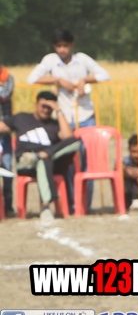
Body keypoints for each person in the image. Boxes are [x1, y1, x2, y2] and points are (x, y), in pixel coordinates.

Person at [27, 28, 110, 210]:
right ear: (54, 46)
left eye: (65, 46)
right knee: (67, 163)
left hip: (86, 117)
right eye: (58, 46)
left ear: (72, 45)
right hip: (64, 120)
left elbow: (105, 75)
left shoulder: (82, 59)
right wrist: (57, 80)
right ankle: (72, 204)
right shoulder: (50, 60)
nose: (62, 49)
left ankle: (85, 205)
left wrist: (84, 80)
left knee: (87, 162)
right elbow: (31, 79)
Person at [0, 91, 81, 222]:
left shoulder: (55, 125)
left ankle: (39, 156)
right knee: (43, 161)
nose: (46, 110)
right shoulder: (21, 118)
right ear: (36, 105)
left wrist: (58, 110)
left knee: (73, 142)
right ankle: (46, 207)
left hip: (49, 162)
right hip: (25, 163)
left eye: (50, 107)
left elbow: (68, 138)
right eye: (43, 105)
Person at [0, 64, 13, 217]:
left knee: (7, 168)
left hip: (4, 132)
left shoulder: (8, 78)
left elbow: (5, 94)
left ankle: (8, 207)